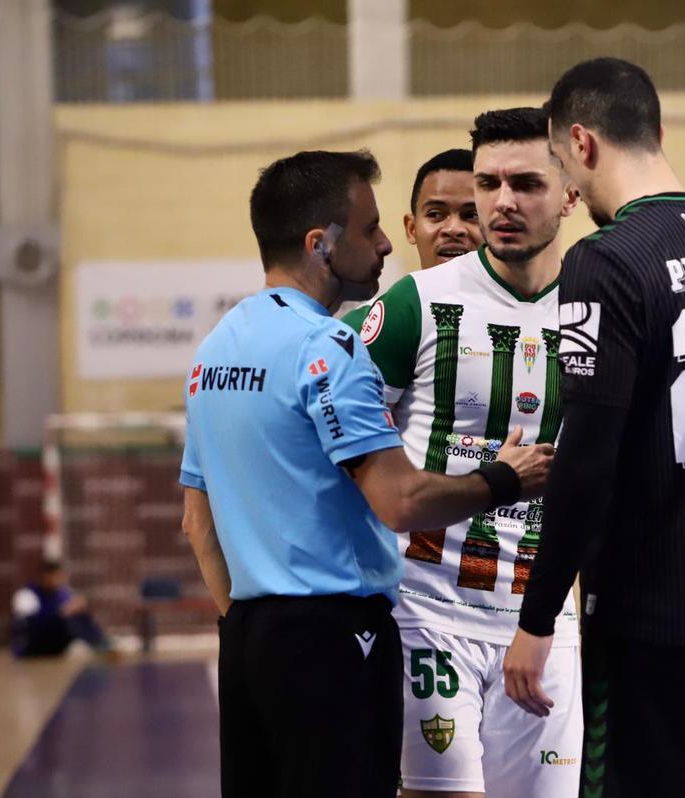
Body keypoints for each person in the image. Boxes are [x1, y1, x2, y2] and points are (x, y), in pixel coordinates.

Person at [179, 149, 554, 798]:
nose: (385, 243)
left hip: (245, 638)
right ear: (320, 244)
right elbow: (399, 500)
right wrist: (505, 479)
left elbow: (196, 522)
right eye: (370, 228)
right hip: (332, 638)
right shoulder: (330, 346)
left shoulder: (218, 348)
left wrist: (256, 630)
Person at [505, 58, 685, 798]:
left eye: (556, 164)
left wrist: (537, 618)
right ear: (659, 131)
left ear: (580, 143)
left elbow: (586, 456)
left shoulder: (604, 261)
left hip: (654, 623)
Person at [342, 107, 582, 798]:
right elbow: (335, 448)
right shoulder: (415, 302)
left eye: (525, 183)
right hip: (428, 612)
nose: (501, 202)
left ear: (569, 194)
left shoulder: (601, 304)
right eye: (488, 183)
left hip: (543, 620)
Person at [11, 560, 114, 658]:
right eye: (53, 576)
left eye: (59, 576)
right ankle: (99, 645)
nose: (56, 580)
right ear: (44, 576)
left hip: (56, 643)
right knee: (66, 621)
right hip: (33, 645)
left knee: (79, 615)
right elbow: (31, 626)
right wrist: (62, 612)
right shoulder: (27, 595)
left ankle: (102, 642)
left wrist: (77, 608)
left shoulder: (63, 593)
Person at [405, 148, 482, 269]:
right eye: (435, 214)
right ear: (411, 228)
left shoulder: (519, 287)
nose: (453, 229)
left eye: (472, 215)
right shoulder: (403, 288)